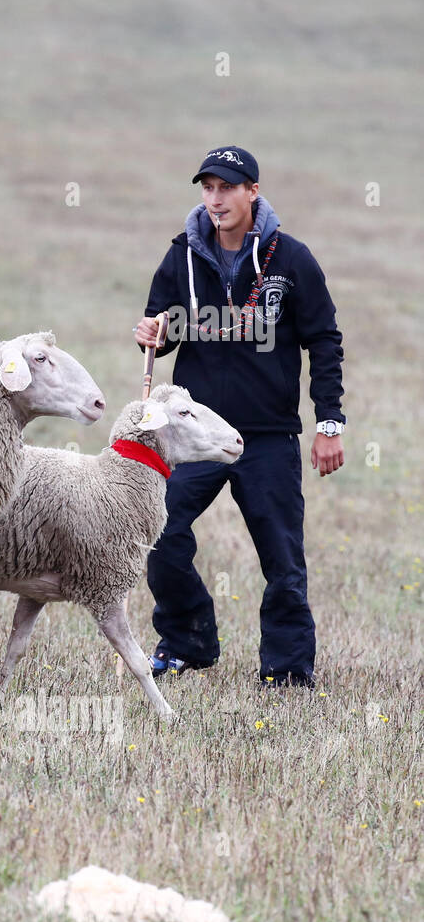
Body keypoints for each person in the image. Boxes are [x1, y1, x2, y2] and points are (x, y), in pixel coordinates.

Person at [133, 146, 345, 689]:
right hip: (194, 437)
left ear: (253, 191)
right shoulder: (180, 256)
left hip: (267, 435)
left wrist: (328, 424)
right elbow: (165, 325)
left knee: (282, 560)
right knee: (158, 533)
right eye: (207, 188)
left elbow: (323, 341)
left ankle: (287, 670)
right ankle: (187, 641)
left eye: (227, 188)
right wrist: (151, 333)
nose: (215, 199)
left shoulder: (291, 260)